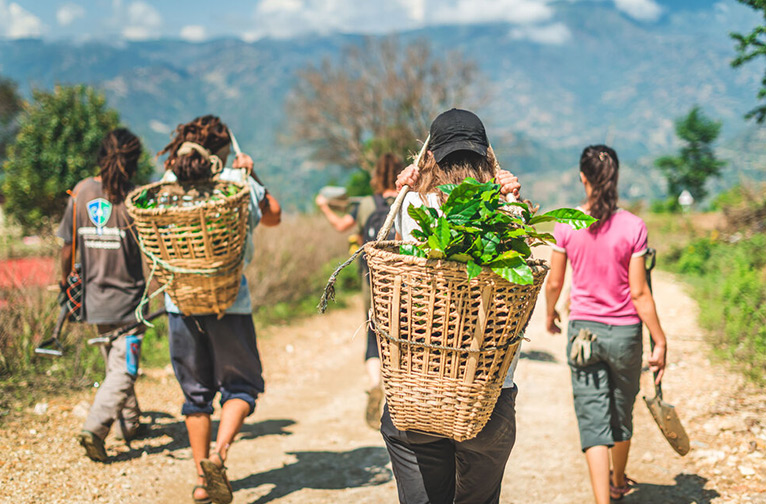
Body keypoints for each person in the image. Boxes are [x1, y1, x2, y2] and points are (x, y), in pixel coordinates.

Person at [384, 108, 521, 504]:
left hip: (418, 391)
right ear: (487, 157)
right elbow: (520, 268)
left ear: (429, 156)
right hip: (487, 396)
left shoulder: (414, 206)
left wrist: (407, 186)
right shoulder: (503, 209)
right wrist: (510, 197)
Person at [157, 115, 281, 504]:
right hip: (231, 302)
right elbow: (274, 215)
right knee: (241, 386)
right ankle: (218, 455)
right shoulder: (237, 184)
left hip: (180, 302)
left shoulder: (167, 186)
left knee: (196, 395)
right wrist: (251, 172)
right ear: (225, 151)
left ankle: (199, 480)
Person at [544, 145, 668, 503]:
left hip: (583, 331)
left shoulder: (566, 223)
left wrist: (551, 312)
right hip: (626, 334)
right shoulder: (634, 226)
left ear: (582, 178)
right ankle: (617, 480)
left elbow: (554, 283)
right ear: (615, 178)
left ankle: (604, 499)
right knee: (621, 410)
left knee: (592, 418)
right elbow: (640, 293)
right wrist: (659, 340)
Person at [57, 128, 147, 462]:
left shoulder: (80, 192)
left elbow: (68, 247)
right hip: (129, 303)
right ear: (133, 160)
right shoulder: (138, 198)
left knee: (114, 361)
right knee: (126, 368)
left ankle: (130, 424)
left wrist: (66, 285)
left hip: (92, 300)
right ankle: (95, 428)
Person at [315, 152, 404, 429]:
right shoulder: (407, 201)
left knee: (373, 329)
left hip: (372, 278)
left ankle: (375, 384)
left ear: (376, 174)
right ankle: (402, 391)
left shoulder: (366, 204)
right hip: (405, 278)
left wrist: (324, 207)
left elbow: (343, 226)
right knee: (403, 329)